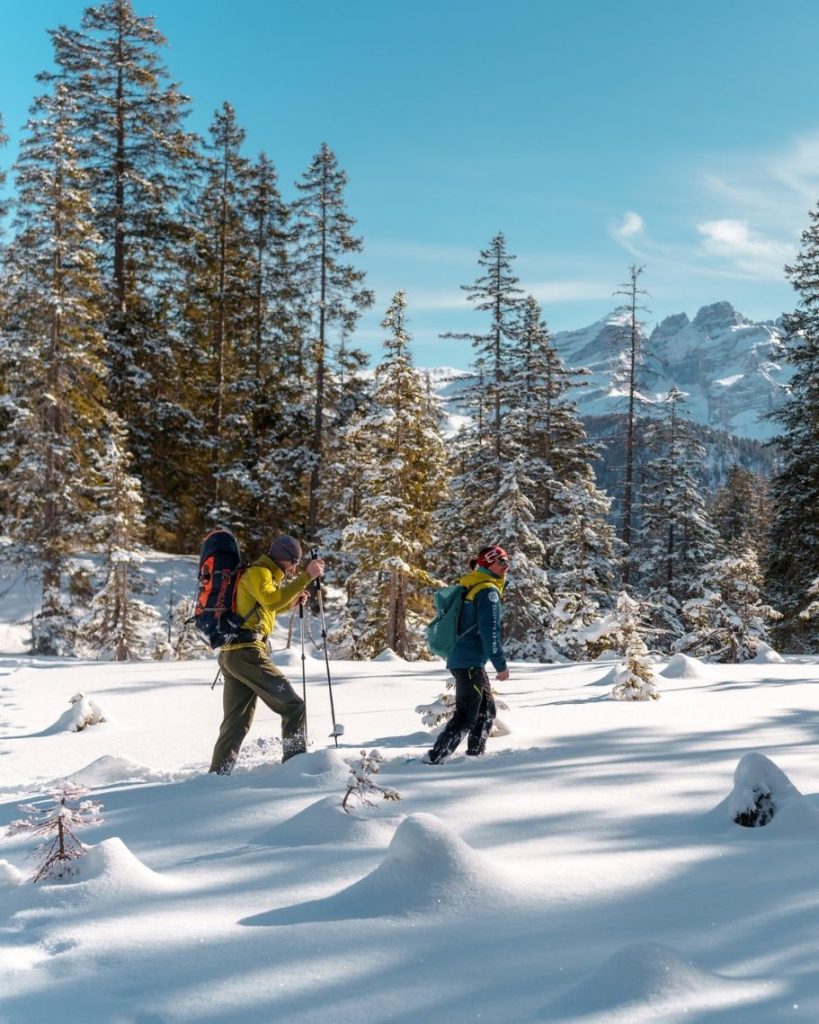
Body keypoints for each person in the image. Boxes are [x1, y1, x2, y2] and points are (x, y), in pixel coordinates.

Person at [209, 536, 325, 773]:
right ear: (284, 558)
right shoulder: (259, 572)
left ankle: (217, 775)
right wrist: (307, 577)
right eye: (294, 563)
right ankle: (295, 768)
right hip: (247, 653)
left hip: (234, 655)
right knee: (293, 706)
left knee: (236, 721)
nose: (294, 569)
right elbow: (271, 601)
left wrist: (291, 602)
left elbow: (266, 606)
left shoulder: (263, 575)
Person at [424, 545, 511, 764]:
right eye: (501, 562)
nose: (506, 566)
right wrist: (500, 664)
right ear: (487, 564)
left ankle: (475, 755)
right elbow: (490, 631)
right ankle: (435, 757)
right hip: (468, 661)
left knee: (486, 711)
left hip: (467, 660)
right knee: (466, 715)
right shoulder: (488, 592)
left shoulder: (475, 585)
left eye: (507, 561)